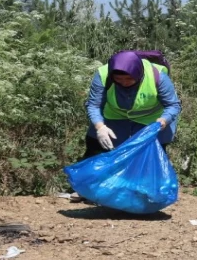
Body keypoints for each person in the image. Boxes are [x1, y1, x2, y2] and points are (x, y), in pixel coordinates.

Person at [70, 51, 182, 202]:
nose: (124, 82)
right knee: (97, 147)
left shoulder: (158, 77)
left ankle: (146, 191)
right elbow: (94, 104)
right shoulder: (103, 75)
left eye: (129, 78)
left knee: (151, 153)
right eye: (119, 79)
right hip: (115, 115)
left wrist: (162, 121)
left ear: (138, 73)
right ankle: (88, 188)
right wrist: (99, 127)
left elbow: (173, 105)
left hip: (153, 119)